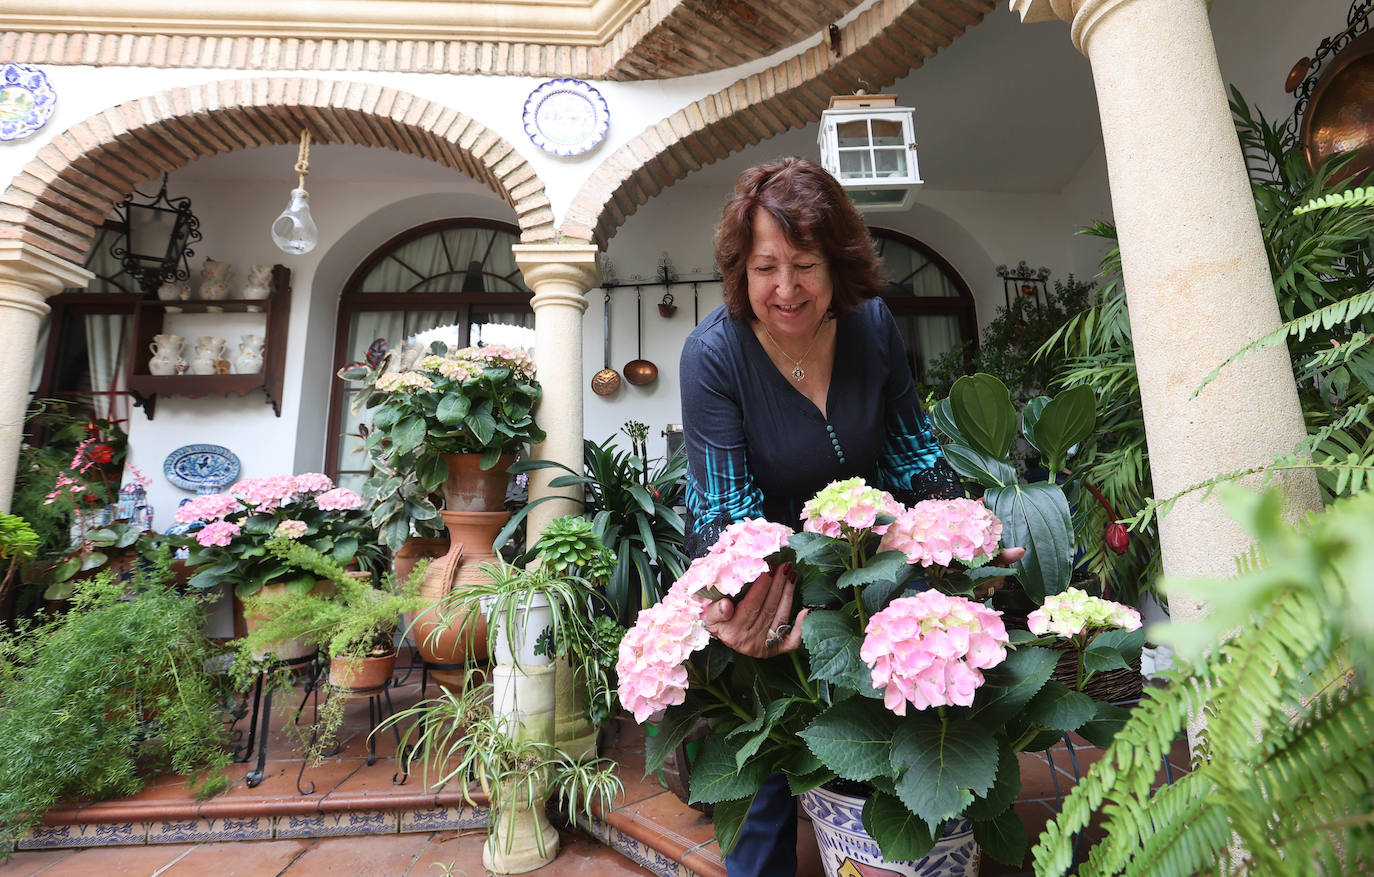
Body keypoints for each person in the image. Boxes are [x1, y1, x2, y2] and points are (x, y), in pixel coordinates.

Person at [679, 156, 1017, 876]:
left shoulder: (872, 327)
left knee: (902, 760)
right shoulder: (714, 354)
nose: (786, 288)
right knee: (767, 792)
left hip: (878, 583)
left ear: (838, 266)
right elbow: (722, 514)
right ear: (741, 270)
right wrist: (752, 606)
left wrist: (967, 538)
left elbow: (915, 452)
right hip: (777, 609)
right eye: (765, 266)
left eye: (804, 264)